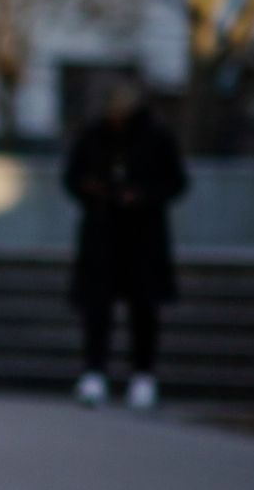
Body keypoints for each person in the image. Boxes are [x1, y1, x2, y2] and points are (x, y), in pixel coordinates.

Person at [63, 79, 188, 410]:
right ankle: (94, 374)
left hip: (143, 234)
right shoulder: (93, 136)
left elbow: (176, 181)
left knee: (143, 309)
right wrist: (92, 190)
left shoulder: (156, 137)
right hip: (102, 232)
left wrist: (143, 195)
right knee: (97, 308)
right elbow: (72, 178)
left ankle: (143, 376)